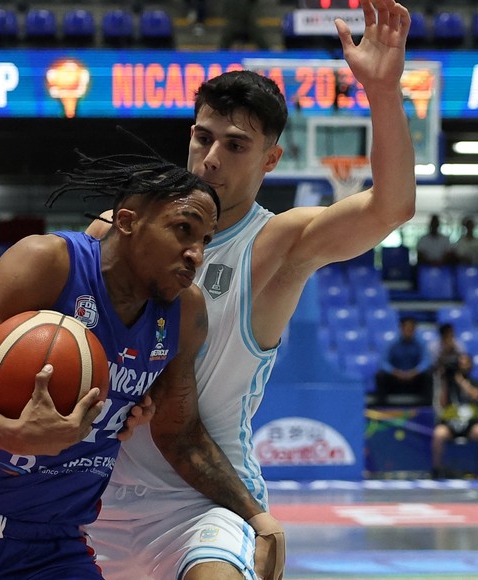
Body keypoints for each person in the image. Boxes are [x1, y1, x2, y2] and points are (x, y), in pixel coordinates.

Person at [88, 2, 416, 577]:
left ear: (271, 159)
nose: (210, 160)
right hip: (91, 491)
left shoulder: (277, 244)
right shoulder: (117, 228)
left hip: (205, 503)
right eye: (202, 137)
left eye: (234, 146)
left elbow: (391, 206)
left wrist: (383, 92)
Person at [0, 150, 269, 579]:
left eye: (205, 240)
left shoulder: (185, 315)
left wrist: (257, 517)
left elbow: (181, 435)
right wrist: (14, 434)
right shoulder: (48, 263)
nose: (195, 254)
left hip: (56, 543)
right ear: (128, 220)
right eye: (183, 230)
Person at [431, 353, 478, 479]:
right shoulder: (446, 383)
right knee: (438, 434)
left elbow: (476, 396)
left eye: (465, 362)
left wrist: (460, 381)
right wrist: (446, 382)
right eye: (460, 362)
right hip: (450, 424)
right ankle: (437, 469)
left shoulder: (474, 382)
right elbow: (442, 404)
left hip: (469, 424)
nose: (462, 365)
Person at [374, 317, 433, 407]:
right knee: (380, 376)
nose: (408, 331)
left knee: (428, 375)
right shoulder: (392, 344)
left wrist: (415, 371)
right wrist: (395, 372)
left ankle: (425, 408)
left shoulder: (421, 343)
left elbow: (427, 361)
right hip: (396, 379)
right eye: (406, 328)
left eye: (411, 329)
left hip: (414, 379)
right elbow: (383, 362)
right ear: (401, 328)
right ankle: (382, 407)